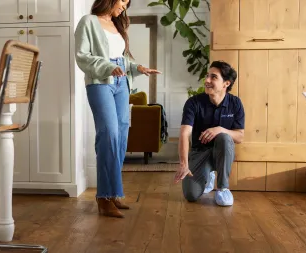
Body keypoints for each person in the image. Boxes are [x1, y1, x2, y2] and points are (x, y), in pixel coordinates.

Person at [74, 0, 161, 218]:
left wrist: (137, 67)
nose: (124, 6)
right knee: (108, 134)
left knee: (121, 136)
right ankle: (103, 197)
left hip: (122, 82)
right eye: (123, 1)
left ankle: (113, 193)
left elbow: (122, 59)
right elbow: (83, 57)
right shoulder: (89, 22)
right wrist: (108, 67)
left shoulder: (117, 24)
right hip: (100, 82)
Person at [174, 61, 244, 206]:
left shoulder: (235, 103)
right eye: (207, 76)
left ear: (226, 83)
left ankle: (223, 188)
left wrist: (220, 129)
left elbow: (240, 137)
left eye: (213, 77)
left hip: (222, 152)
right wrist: (183, 164)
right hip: (200, 153)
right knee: (191, 195)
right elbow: (185, 134)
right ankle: (208, 175)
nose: (207, 81)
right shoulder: (193, 103)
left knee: (225, 138)